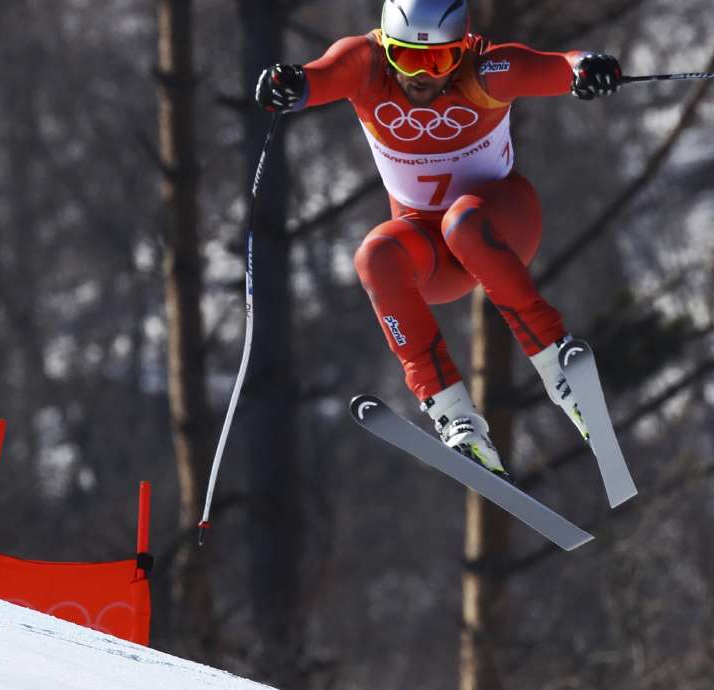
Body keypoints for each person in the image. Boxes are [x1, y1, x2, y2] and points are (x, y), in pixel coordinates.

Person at [255, 0, 621, 482]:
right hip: (432, 255)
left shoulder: (484, 72)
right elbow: (319, 77)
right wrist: (289, 84)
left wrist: (586, 69)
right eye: (407, 57)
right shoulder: (365, 66)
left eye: (439, 59)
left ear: (462, 48)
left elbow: (556, 65)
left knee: (461, 221)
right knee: (375, 255)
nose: (421, 75)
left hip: (501, 225)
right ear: (387, 48)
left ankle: (560, 370)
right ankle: (454, 415)